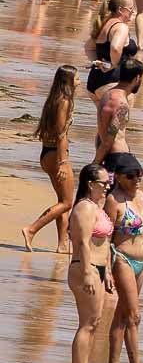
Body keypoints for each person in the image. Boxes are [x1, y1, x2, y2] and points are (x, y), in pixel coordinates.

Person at [104, 153, 143, 363]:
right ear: (118, 176)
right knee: (134, 316)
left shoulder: (141, 196)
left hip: (142, 261)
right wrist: (106, 269)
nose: (137, 180)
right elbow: (106, 237)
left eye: (139, 175)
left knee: (122, 316)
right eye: (131, 176)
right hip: (122, 258)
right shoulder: (113, 201)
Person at [65, 164, 115, 363]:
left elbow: (103, 243)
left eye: (108, 183)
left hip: (98, 268)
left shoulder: (96, 207)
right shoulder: (84, 208)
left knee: (94, 321)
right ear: (90, 184)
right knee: (87, 322)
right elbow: (83, 242)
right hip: (85, 267)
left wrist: (109, 271)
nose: (107, 187)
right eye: (103, 183)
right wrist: (87, 272)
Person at [22, 65, 78, 253]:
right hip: (56, 155)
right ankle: (31, 229)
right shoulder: (64, 101)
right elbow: (61, 134)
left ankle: (62, 244)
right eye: (76, 78)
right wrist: (63, 162)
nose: (79, 80)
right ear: (69, 81)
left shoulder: (54, 99)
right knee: (67, 202)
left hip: (48, 152)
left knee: (62, 200)